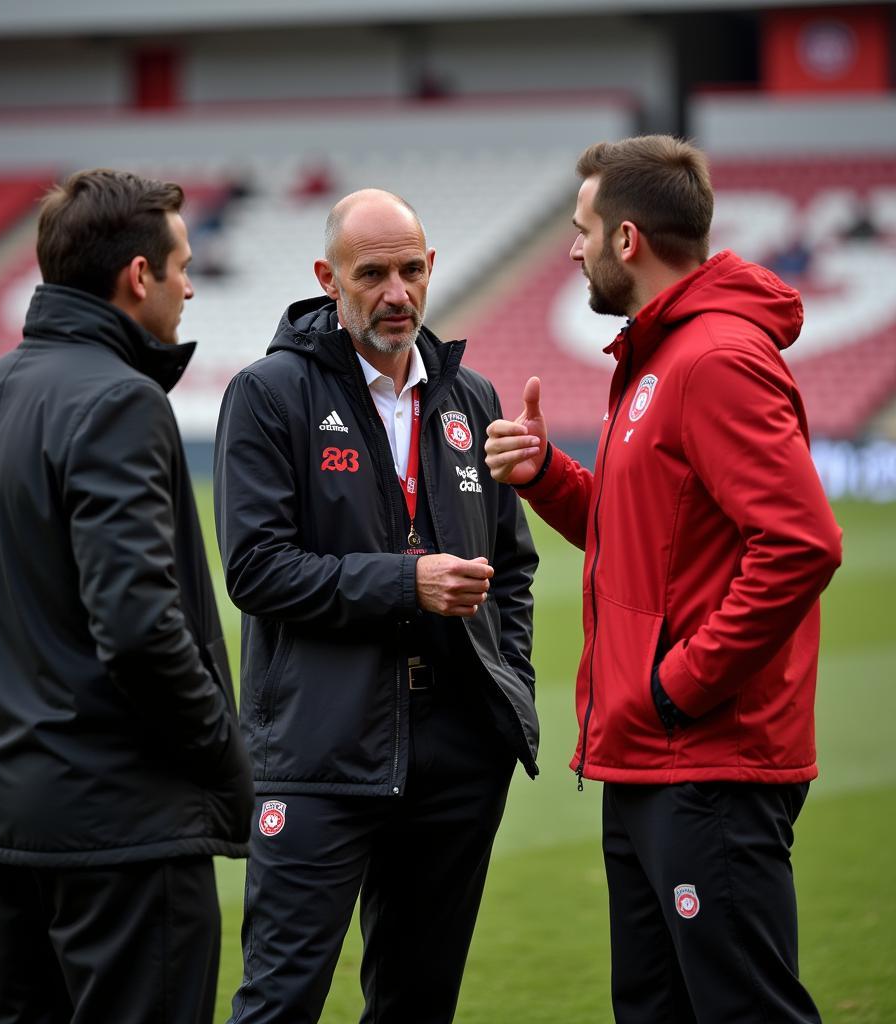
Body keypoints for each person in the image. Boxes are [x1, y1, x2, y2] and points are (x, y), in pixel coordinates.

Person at [485, 135, 842, 1023]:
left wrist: (679, 684)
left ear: (628, 240)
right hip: (651, 755)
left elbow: (802, 543)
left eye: (581, 230)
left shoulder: (714, 358)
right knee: (656, 1009)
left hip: (705, 759)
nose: (572, 249)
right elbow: (649, 539)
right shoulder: (658, 356)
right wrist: (547, 476)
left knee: (742, 1009)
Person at [0, 168, 253, 1024]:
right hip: (121, 835)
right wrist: (227, 761)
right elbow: (142, 631)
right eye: (182, 264)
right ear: (137, 276)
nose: (189, 283)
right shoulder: (121, 402)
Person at [214, 188, 539, 1024]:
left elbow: (512, 570)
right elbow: (254, 571)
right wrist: (407, 582)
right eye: (371, 274)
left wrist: (511, 697)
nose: (396, 292)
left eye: (409, 270)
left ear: (430, 269)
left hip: (457, 755)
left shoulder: (473, 399)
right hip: (321, 750)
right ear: (329, 278)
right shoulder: (267, 393)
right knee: (280, 999)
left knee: (418, 1003)